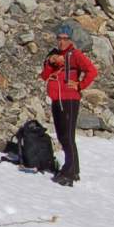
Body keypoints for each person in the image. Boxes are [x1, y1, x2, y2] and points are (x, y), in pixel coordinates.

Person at [40, 24, 99, 187]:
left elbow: (92, 71)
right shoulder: (53, 54)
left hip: (70, 99)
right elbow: (45, 75)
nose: (62, 42)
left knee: (68, 136)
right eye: (59, 39)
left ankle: (70, 172)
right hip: (57, 98)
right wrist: (51, 62)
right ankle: (73, 169)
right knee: (61, 135)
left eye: (65, 39)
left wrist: (80, 85)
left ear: (70, 40)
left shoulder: (75, 55)